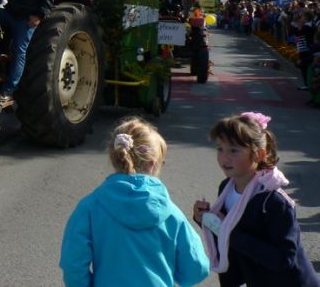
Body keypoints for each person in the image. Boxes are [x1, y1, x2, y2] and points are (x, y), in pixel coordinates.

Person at [60, 117, 209, 286]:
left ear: (115, 157)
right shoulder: (172, 214)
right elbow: (197, 268)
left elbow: (73, 264)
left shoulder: (89, 207)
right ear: (152, 164)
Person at [192, 112, 319, 286]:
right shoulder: (226, 187)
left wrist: (229, 231)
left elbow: (284, 258)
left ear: (259, 155)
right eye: (220, 148)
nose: (224, 157)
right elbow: (226, 232)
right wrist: (205, 219)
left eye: (234, 150)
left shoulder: (273, 201)